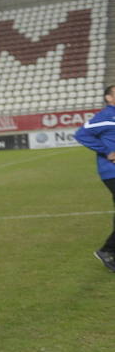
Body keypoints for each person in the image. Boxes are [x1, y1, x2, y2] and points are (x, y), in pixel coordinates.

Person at [75, 86, 115, 272]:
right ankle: (106, 250)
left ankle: (109, 250)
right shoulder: (106, 115)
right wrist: (108, 152)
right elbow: (81, 134)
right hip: (112, 171)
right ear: (108, 97)